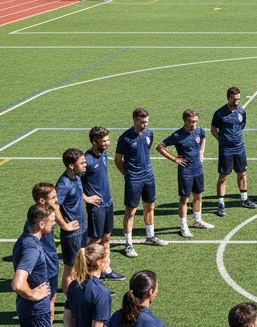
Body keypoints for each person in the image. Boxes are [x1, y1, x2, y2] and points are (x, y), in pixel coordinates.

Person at [114, 107, 167, 257]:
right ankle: (128, 244)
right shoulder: (125, 138)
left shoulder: (149, 133)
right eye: (142, 122)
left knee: (150, 206)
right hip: (134, 178)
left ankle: (150, 236)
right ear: (135, 120)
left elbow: (146, 150)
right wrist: (128, 174)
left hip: (148, 176)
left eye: (146, 122)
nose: (145, 125)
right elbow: (118, 160)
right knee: (131, 211)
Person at [158, 110, 216, 238]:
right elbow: (160, 147)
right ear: (185, 121)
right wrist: (175, 159)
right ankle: (183, 226)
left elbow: (203, 137)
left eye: (195, 121)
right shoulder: (178, 135)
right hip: (185, 171)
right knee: (185, 198)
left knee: (198, 195)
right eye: (191, 121)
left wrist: (201, 152)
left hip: (198, 169)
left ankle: (198, 220)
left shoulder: (199, 131)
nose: (194, 124)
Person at [30, 181, 67, 327]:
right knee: (44, 312)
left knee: (51, 307)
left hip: (51, 268)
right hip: (43, 273)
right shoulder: (37, 224)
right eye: (53, 198)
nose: (57, 200)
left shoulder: (47, 216)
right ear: (42, 201)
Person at [83, 126, 124, 281]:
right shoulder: (86, 160)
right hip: (96, 207)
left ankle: (105, 268)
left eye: (108, 139)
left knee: (107, 237)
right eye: (104, 140)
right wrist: (86, 198)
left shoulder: (104, 154)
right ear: (94, 141)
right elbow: (74, 181)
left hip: (108, 202)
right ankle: (89, 273)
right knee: (94, 241)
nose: (107, 143)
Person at [211, 87, 257, 215]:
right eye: (234, 99)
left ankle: (244, 199)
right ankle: (221, 204)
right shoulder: (219, 113)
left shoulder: (241, 112)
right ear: (228, 98)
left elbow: (242, 126)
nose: (237, 101)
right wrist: (223, 141)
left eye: (238, 98)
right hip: (226, 150)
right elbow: (213, 130)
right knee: (223, 176)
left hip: (239, 148)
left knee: (242, 173)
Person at [55, 148, 93, 294]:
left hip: (82, 228)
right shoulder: (63, 184)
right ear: (71, 165)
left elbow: (78, 190)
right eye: (82, 163)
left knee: (81, 263)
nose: (85, 165)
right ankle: (69, 301)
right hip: (72, 234)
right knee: (70, 267)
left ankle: (80, 292)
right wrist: (64, 225)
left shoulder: (77, 176)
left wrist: (86, 198)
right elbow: (54, 206)